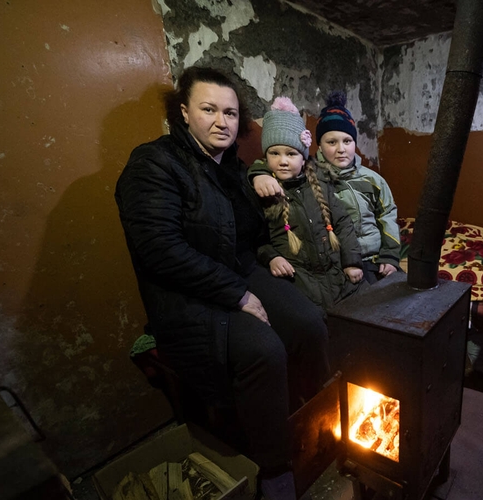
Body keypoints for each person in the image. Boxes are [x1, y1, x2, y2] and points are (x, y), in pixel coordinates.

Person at [114, 66, 328, 500]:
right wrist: (239, 294)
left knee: (310, 322)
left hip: (236, 273)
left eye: (230, 113)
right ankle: (275, 468)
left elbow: (249, 238)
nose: (221, 121)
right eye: (208, 109)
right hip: (184, 294)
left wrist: (266, 255)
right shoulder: (154, 163)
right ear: (184, 112)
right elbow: (159, 250)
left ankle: (315, 418)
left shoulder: (232, 167)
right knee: (263, 350)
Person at [253, 91, 401, 284]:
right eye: (332, 142)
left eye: (347, 141)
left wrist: (390, 256)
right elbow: (276, 163)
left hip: (374, 257)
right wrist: (259, 174)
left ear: (355, 143)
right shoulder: (313, 175)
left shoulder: (372, 180)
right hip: (338, 261)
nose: (341, 149)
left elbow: (387, 215)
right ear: (319, 146)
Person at [251, 96, 365, 312]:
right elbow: (256, 237)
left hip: (338, 276)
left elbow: (342, 222)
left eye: (291, 153)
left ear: (303, 158)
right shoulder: (264, 191)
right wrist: (271, 257)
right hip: (300, 283)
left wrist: (352, 261)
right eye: (275, 153)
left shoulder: (320, 184)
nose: (283, 160)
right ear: (265, 158)